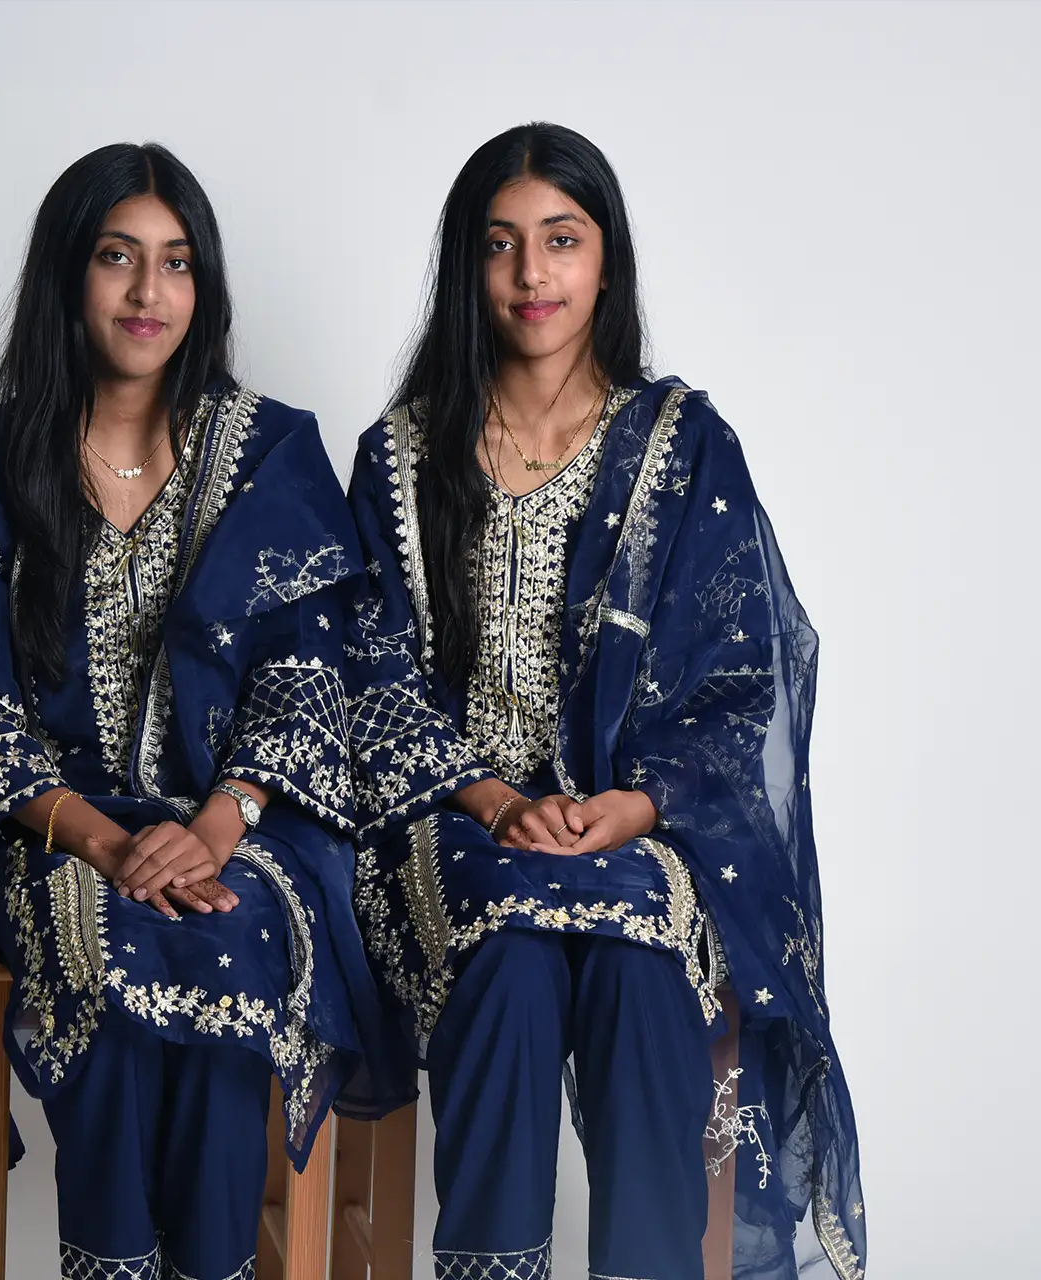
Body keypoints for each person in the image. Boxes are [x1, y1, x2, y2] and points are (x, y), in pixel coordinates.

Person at [0, 142, 392, 1280]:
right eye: (118, 259)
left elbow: (308, 668)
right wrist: (107, 838)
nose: (150, 294)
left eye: (178, 263)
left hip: (245, 826)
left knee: (229, 931)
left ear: (206, 285)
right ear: (68, 277)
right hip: (60, 830)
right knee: (97, 947)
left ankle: (209, 1263)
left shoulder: (271, 455)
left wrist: (214, 825)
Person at [344, 122, 867, 1280]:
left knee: (637, 969)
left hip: (639, 831)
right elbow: (367, 680)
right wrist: (491, 800)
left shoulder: (683, 449)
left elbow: (742, 683)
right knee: (512, 963)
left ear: (605, 260)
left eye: (562, 242)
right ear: (466, 268)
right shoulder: (400, 458)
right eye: (502, 246)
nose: (533, 277)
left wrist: (630, 808)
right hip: (454, 824)